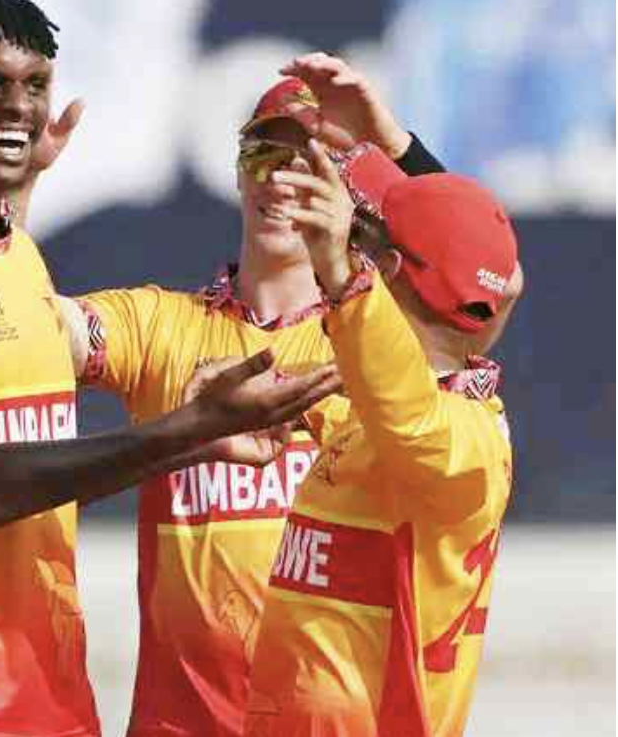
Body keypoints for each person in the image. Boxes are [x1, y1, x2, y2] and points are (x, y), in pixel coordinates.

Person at [0, 0, 340, 737]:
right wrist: (191, 430)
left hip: (44, 692)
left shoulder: (11, 254)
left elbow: (31, 471)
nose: (19, 106)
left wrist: (194, 439)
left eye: (35, 85)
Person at [56, 55, 500, 737]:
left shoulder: (380, 345)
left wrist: (395, 144)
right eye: (265, 155)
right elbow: (36, 328)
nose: (283, 180)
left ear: (352, 202)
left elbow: (472, 267)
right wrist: (5, 200)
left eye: (312, 165)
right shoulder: (161, 327)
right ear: (237, 171)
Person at [241, 138, 519, 736]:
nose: (349, 248)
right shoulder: (372, 409)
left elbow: (410, 419)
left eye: (361, 238)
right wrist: (397, 142)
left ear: (385, 271)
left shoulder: (463, 440)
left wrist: (344, 281)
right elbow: (496, 279)